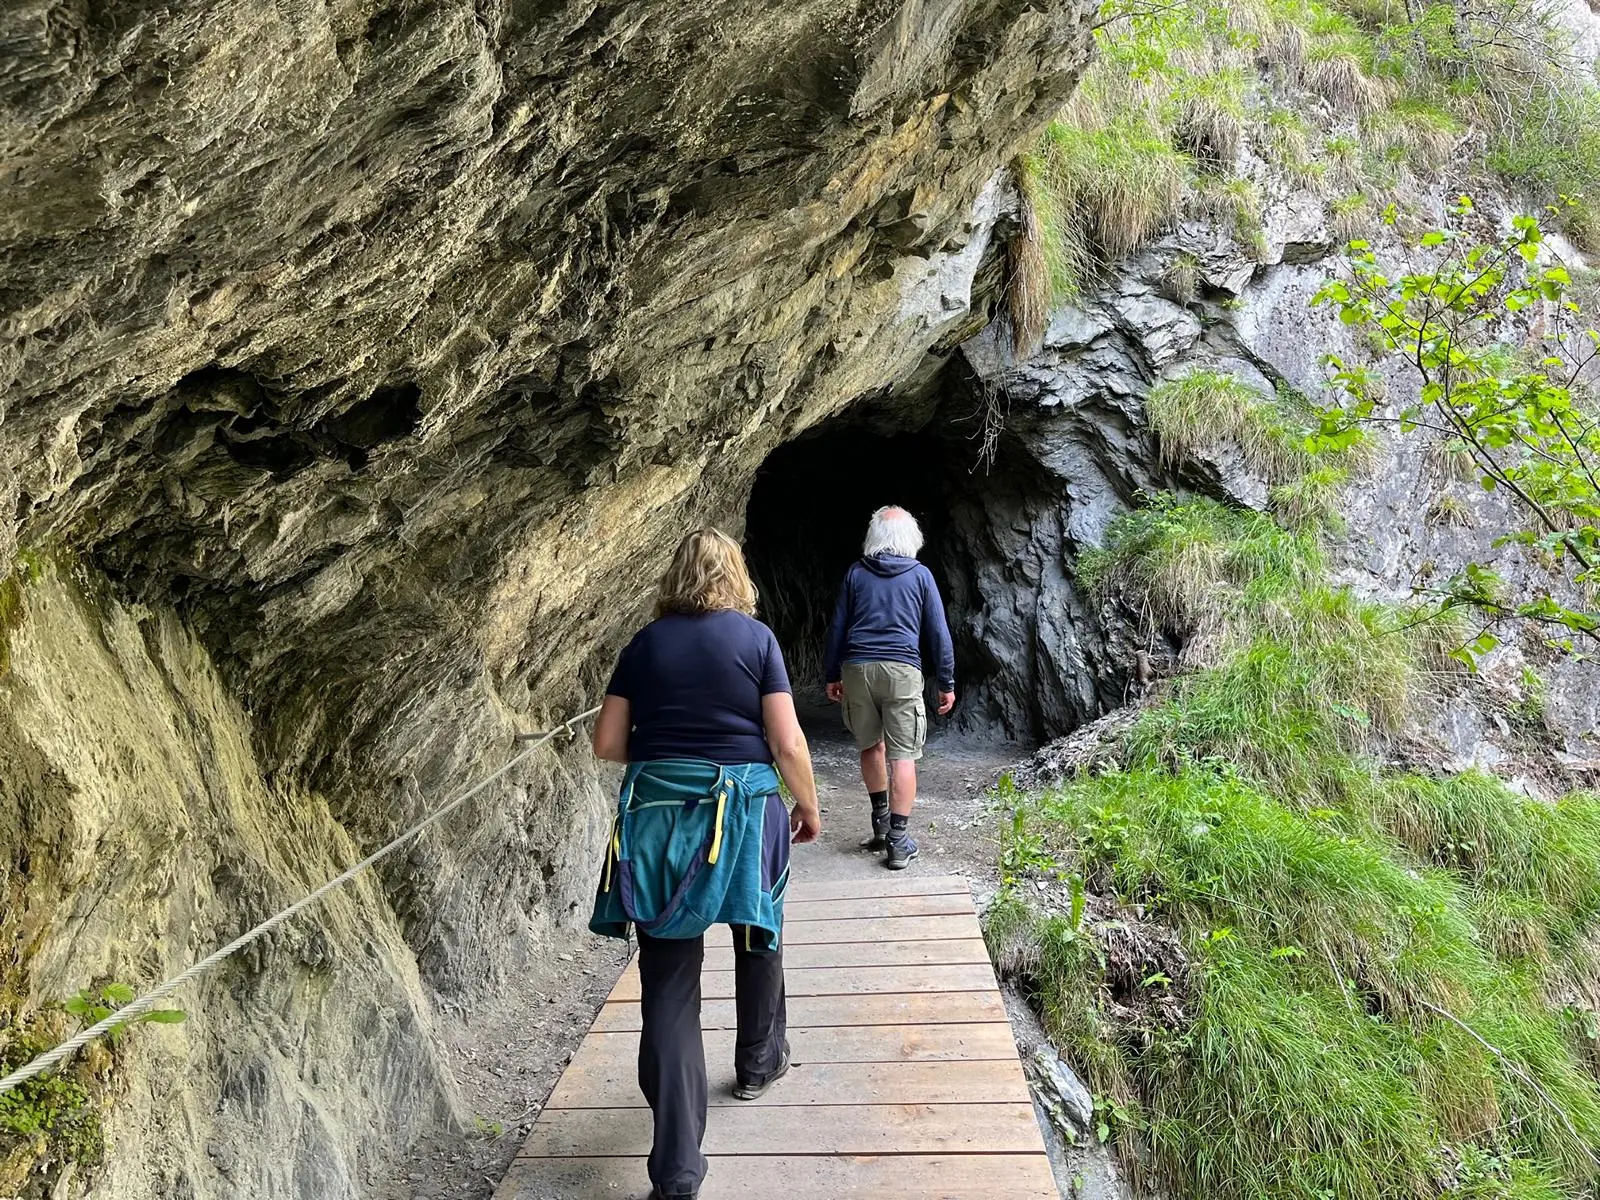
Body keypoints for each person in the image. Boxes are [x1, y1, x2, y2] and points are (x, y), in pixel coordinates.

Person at [590, 528, 823, 1200]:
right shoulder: (756, 641)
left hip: (660, 822)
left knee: (668, 981)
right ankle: (757, 1061)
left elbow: (608, 743)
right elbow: (786, 741)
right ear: (735, 577)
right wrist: (807, 807)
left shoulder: (644, 645)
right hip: (745, 814)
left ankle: (678, 1172)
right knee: (757, 932)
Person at [823, 505, 955, 870]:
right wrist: (946, 681)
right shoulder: (921, 576)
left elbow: (837, 628)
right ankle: (898, 841)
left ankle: (880, 823)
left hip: (858, 669)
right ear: (912, 539)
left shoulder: (855, 574)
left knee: (871, 745)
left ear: (874, 538)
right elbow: (938, 633)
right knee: (903, 755)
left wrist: (832, 674)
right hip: (901, 670)